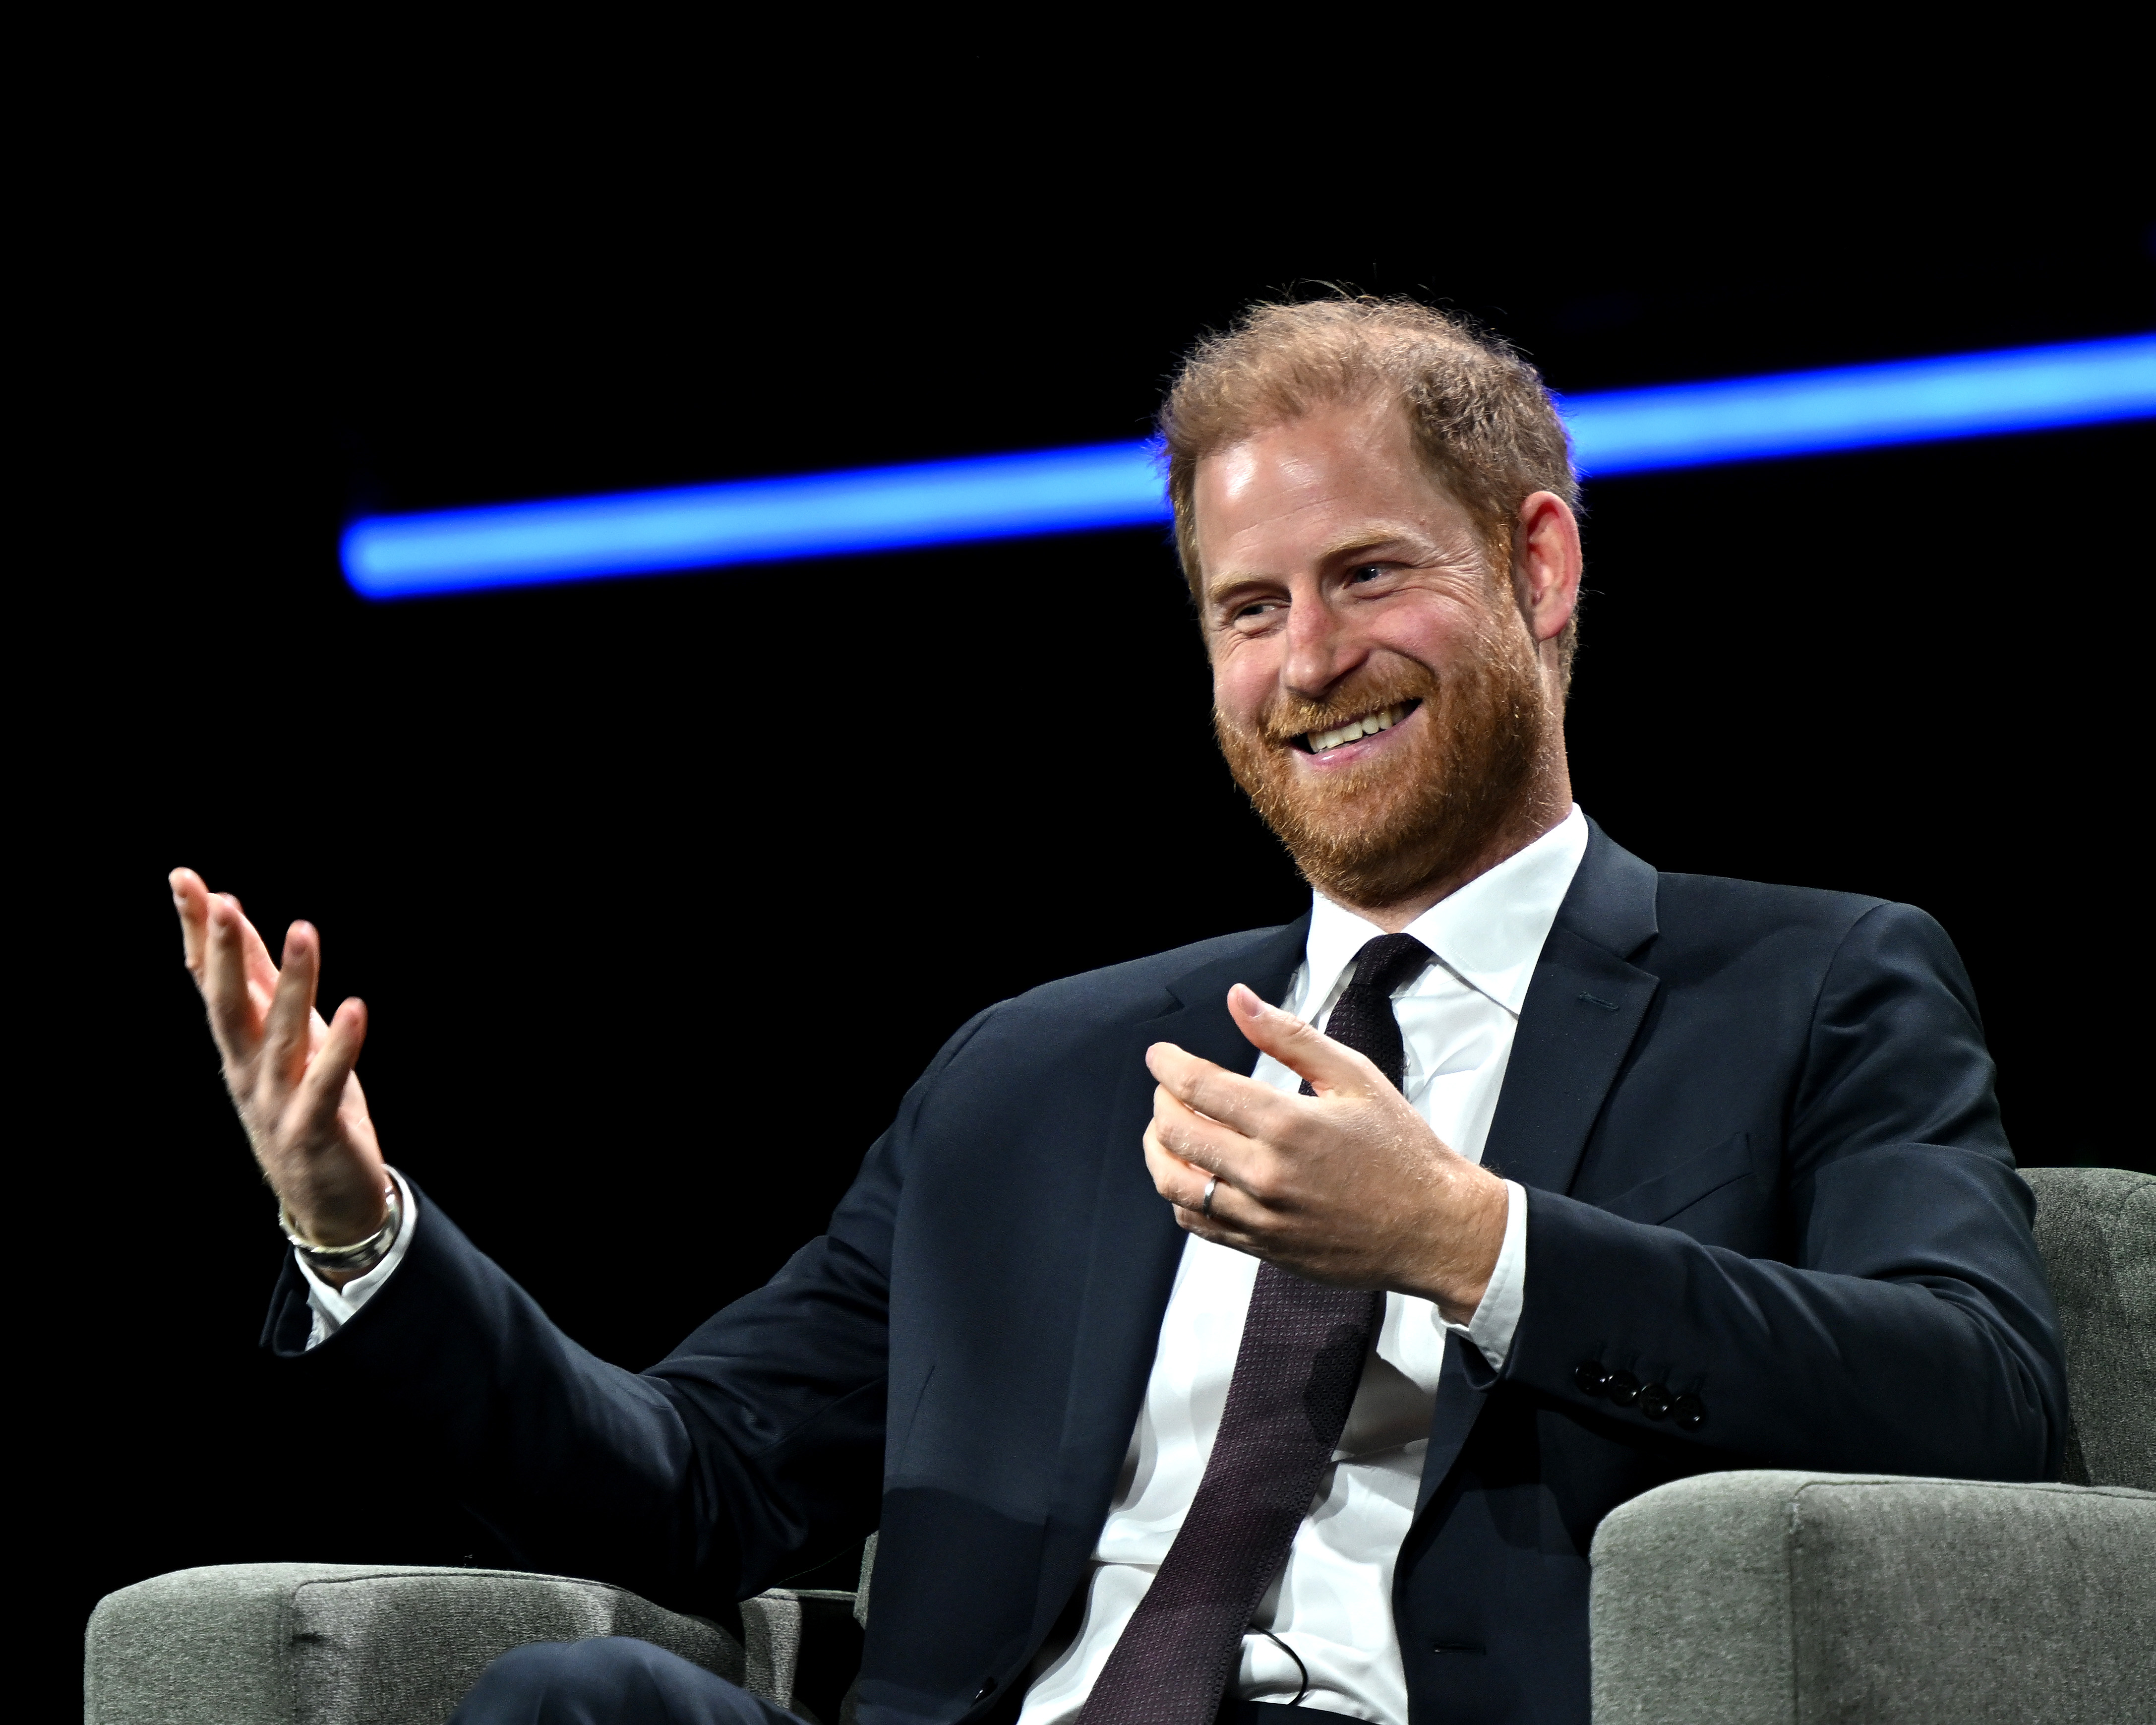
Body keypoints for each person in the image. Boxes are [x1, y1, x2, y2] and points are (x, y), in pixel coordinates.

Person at [169, 298, 2066, 1725]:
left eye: (1367, 575)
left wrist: (1466, 1240)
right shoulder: (1033, 1073)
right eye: (1247, 609)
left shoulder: (1812, 983)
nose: (1308, 662)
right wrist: (362, 1237)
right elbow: (701, 1483)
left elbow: (1981, 1404)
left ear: (1537, 564)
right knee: (573, 1703)